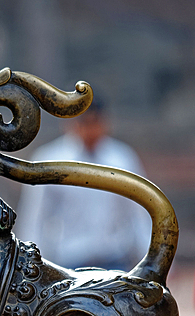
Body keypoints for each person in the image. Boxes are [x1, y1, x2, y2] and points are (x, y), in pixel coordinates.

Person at [16, 101, 150, 270]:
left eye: (95, 122)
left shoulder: (122, 160)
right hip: (68, 262)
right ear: (70, 123)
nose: (90, 130)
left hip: (115, 260)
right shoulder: (50, 161)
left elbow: (138, 215)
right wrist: (31, 265)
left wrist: (153, 261)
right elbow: (35, 219)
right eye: (84, 122)